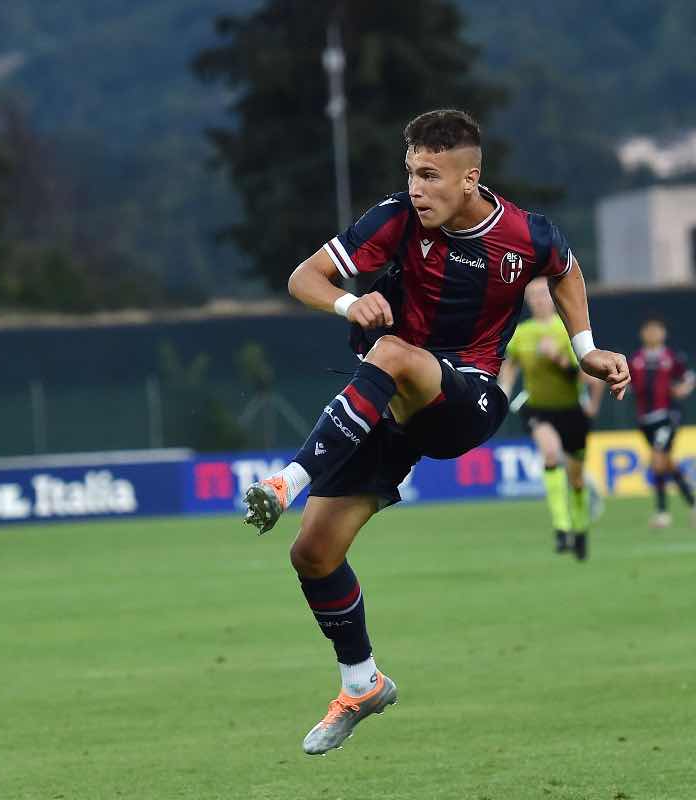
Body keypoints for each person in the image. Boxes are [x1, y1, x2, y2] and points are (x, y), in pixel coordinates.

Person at [240, 110, 629, 755]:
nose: (415, 188)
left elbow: (563, 269)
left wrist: (584, 346)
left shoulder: (525, 235)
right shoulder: (394, 218)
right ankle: (361, 683)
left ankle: (289, 480)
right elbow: (302, 278)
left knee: (389, 353)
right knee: (313, 554)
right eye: (410, 172)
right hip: (390, 403)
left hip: (467, 397)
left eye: (429, 175)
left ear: (469, 178)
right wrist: (345, 301)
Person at [498, 278, 603, 560]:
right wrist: (503, 394)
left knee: (577, 479)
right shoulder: (521, 333)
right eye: (532, 295)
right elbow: (510, 368)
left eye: (543, 294)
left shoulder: (569, 330)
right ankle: (561, 527)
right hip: (539, 409)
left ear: (554, 296)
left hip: (571, 410)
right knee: (550, 453)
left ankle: (580, 528)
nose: (538, 300)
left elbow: (589, 374)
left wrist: (559, 359)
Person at [628, 316, 695, 528]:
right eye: (649, 330)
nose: (653, 334)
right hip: (645, 419)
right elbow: (628, 382)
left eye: (657, 330)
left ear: (663, 333)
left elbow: (687, 378)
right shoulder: (636, 359)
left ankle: (662, 513)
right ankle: (692, 502)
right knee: (666, 463)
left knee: (657, 460)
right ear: (642, 334)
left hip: (667, 415)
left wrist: (683, 389)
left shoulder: (671, 358)